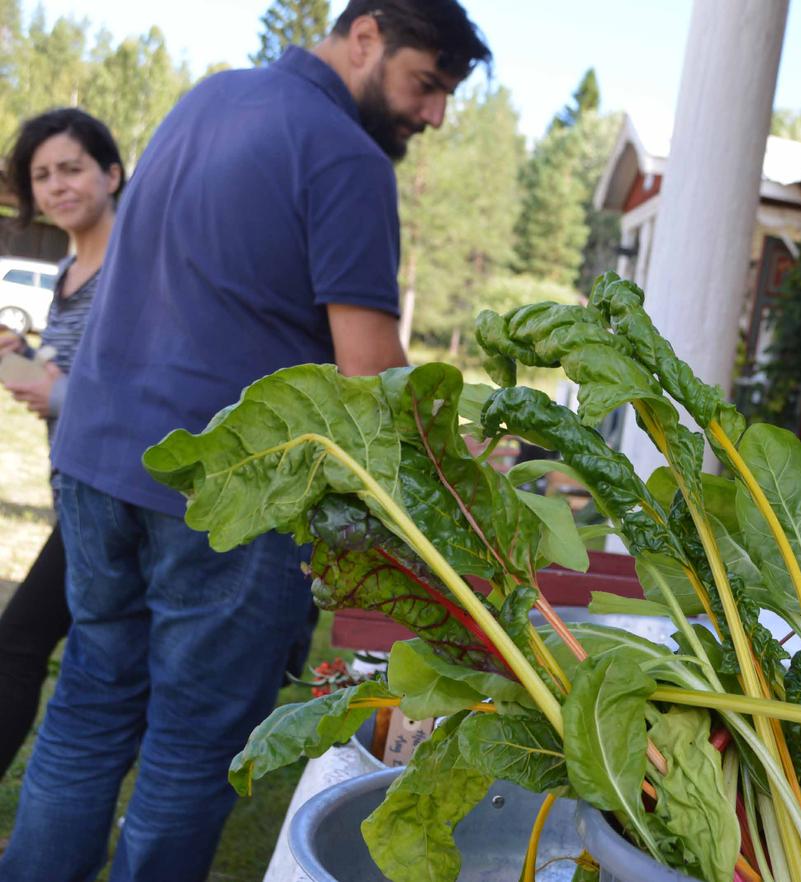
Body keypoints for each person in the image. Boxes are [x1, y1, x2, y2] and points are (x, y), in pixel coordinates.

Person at [0, 2, 490, 881]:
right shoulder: (347, 156)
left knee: (87, 707)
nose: (435, 115)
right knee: (194, 744)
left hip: (99, 459)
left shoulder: (208, 98)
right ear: (368, 36)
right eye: (429, 84)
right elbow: (370, 373)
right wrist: (466, 466)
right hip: (228, 490)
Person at [0, 108, 124, 780]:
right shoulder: (68, 270)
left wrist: (63, 393)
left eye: (71, 168)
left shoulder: (134, 268)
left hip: (117, 500)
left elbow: (144, 382)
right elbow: (63, 381)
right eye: (42, 175)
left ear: (111, 172)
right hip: (74, 489)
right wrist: (17, 360)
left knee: (18, 642)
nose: (56, 186)